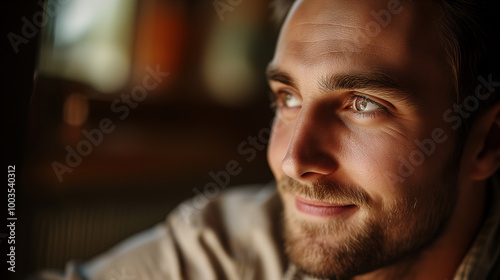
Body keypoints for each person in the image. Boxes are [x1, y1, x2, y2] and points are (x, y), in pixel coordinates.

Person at [37, 0, 500, 279]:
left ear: (486, 142)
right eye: (288, 98)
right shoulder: (226, 248)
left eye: (363, 104)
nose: (294, 161)